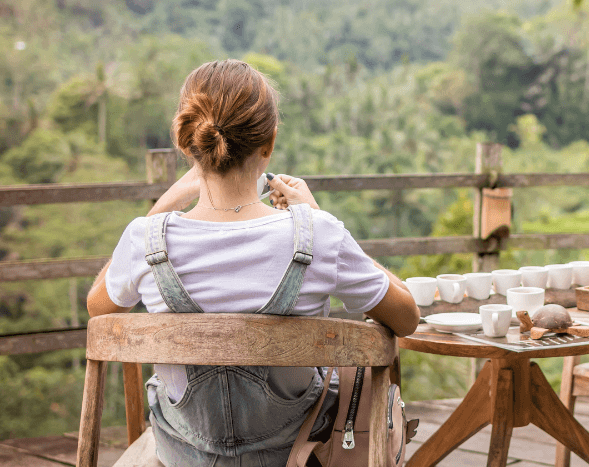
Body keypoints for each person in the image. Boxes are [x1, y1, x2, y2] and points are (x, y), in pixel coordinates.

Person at [86, 59, 420, 467]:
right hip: (299, 455)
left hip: (181, 456)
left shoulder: (144, 239)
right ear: (270, 142)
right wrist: (316, 218)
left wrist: (165, 205)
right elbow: (406, 318)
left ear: (187, 141)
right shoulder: (320, 235)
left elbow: (99, 311)